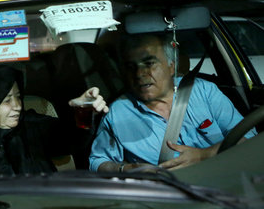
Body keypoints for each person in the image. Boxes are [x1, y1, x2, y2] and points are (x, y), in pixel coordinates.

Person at [89, 33, 256, 173]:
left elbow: (248, 138)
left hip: (225, 181)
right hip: (168, 196)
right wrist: (128, 169)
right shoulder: (117, 113)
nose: (139, 73)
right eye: (131, 67)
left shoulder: (204, 91)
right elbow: (97, 162)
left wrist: (204, 154)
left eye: (149, 64)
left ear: (171, 66)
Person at [0, 64, 108, 177]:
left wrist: (82, 113)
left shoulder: (30, 125)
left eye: (18, 97)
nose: (17, 106)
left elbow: (66, 136)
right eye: (6, 100)